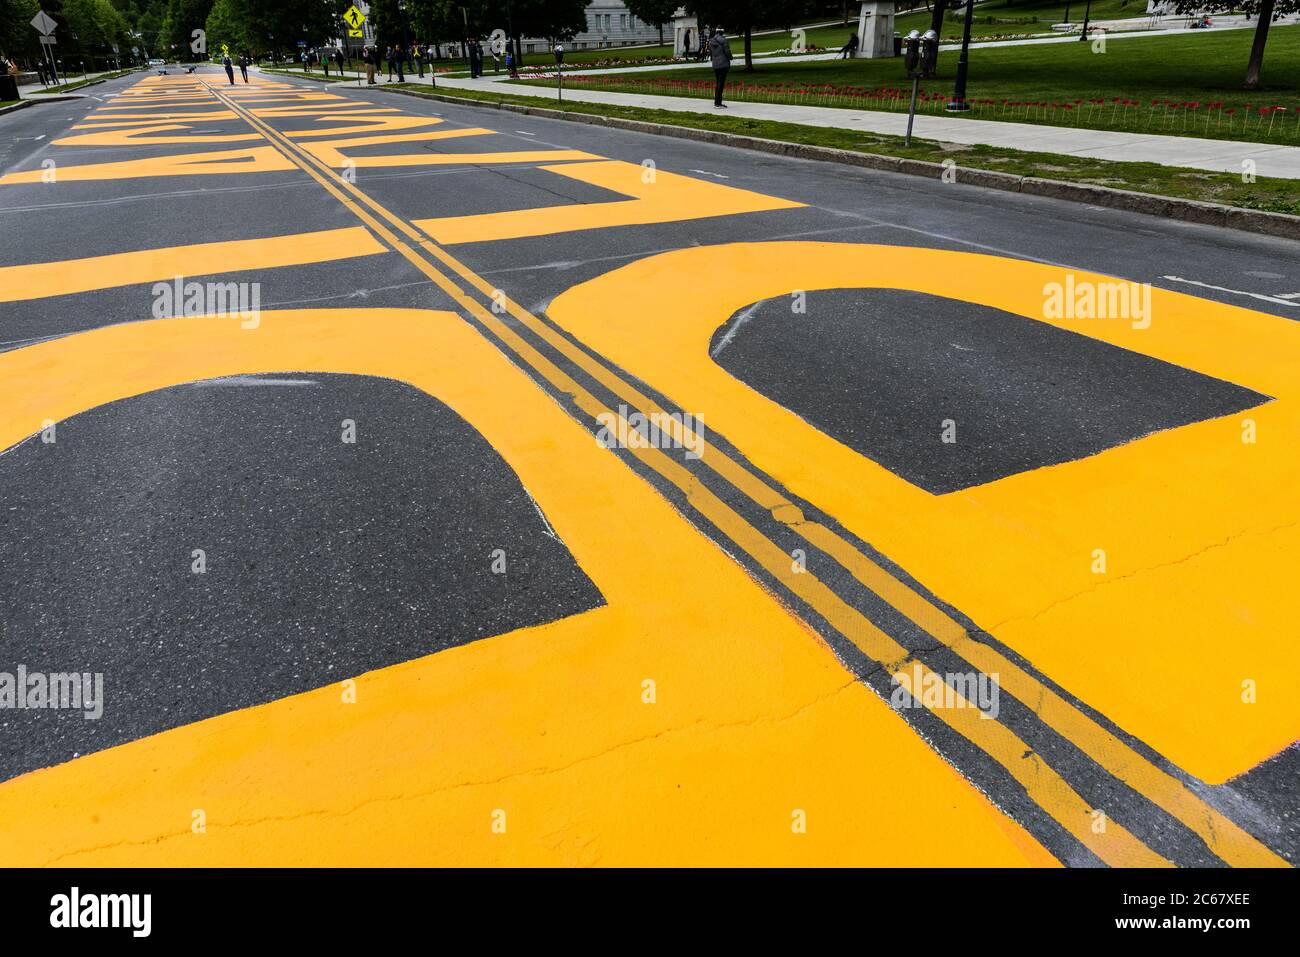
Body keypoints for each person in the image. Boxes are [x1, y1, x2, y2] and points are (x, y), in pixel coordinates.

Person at [709, 27, 731, 108]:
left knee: (718, 83)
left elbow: (711, 54)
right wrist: (731, 58)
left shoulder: (711, 41)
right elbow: (727, 51)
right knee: (721, 84)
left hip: (715, 64)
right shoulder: (724, 40)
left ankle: (716, 102)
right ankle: (718, 103)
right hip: (723, 64)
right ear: (722, 32)